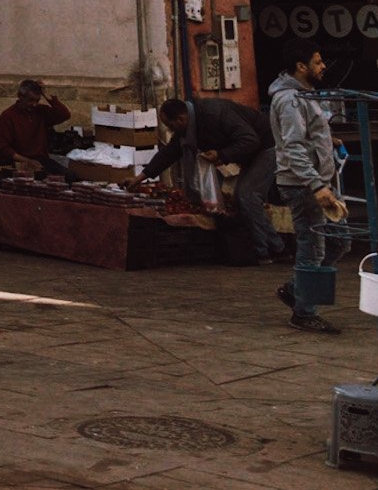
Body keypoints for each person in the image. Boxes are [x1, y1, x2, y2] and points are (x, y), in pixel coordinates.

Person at [142, 94, 285, 262]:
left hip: (267, 147)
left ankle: (270, 250)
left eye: (171, 125)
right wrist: (141, 177)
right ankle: (272, 247)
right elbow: (170, 152)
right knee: (243, 198)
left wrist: (221, 154)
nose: (172, 130)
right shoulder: (189, 128)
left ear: (181, 118)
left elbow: (249, 139)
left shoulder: (214, 114)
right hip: (249, 153)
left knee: (247, 195)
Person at [270, 39, 348, 334]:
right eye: (317, 62)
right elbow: (293, 146)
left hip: (319, 181)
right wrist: (317, 186)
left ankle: (297, 289)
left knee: (340, 240)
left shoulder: (304, 95)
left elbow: (307, 134)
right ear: (301, 67)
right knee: (312, 247)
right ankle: (304, 312)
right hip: (305, 184)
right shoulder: (290, 100)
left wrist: (328, 141)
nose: (323, 66)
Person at [0, 79, 73, 177]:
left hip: (41, 160)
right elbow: (3, 148)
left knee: (70, 176)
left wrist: (46, 94)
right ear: (20, 97)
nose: (34, 104)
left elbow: (64, 115)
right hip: (19, 161)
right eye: (30, 100)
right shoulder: (8, 115)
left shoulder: (40, 111)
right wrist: (27, 161)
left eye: (37, 100)